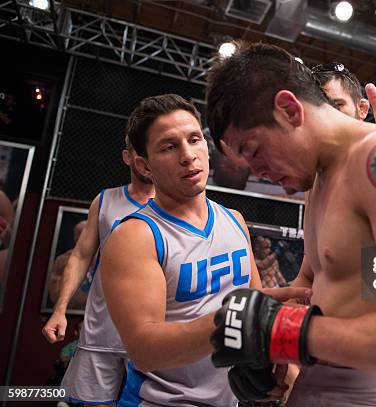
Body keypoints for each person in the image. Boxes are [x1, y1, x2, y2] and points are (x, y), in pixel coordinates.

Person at [205, 42, 376, 406]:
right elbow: (317, 293)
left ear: (289, 110)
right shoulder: (318, 180)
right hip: (314, 385)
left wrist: (289, 335)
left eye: (253, 150)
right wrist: (267, 353)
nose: (256, 172)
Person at [99, 94, 309, 406]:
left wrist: (280, 366)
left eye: (194, 139)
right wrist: (232, 321)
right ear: (144, 165)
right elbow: (145, 351)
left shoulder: (234, 221)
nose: (188, 155)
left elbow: (253, 303)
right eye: (169, 147)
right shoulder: (135, 236)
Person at [42, 138, 155, 406]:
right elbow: (81, 255)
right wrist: (60, 309)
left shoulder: (175, 203)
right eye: (142, 154)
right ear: (128, 157)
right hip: (100, 333)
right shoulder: (105, 201)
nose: (148, 161)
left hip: (150, 338)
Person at [46, 221, 89, 309]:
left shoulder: (103, 260)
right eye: (77, 234)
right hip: (67, 311)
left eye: (82, 234)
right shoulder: (62, 260)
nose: (78, 238)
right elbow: (54, 291)